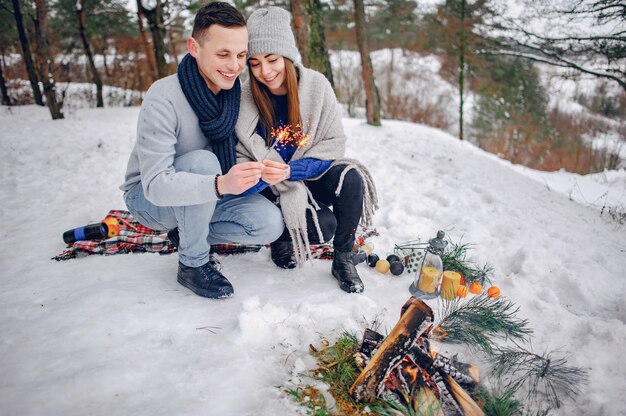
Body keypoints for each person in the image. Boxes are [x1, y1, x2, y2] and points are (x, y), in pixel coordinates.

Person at [120, 2, 284, 299]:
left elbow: (248, 147)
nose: (234, 65)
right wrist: (221, 183)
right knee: (204, 162)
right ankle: (192, 264)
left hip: (210, 191)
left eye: (241, 55)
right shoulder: (164, 96)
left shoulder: (236, 94)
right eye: (223, 54)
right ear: (194, 47)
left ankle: (187, 231)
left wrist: (265, 167)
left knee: (269, 224)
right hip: (149, 199)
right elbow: (155, 185)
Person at [235, 7, 378, 294]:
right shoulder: (244, 95)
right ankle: (282, 238)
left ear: (287, 56)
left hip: (308, 171)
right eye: (255, 62)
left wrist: (291, 169)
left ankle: (343, 259)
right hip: (269, 184)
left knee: (351, 176)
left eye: (272, 59)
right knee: (321, 226)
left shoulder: (316, 86)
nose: (265, 71)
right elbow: (243, 156)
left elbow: (333, 143)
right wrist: (270, 174)